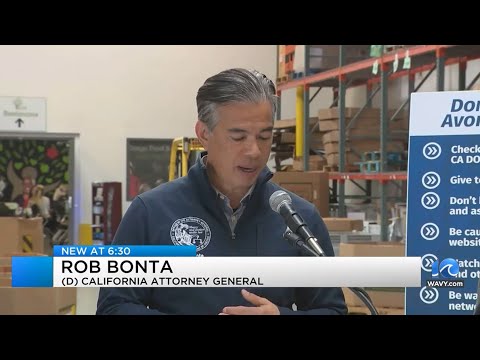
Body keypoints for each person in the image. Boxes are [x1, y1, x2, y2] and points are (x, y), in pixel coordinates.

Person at [96, 68, 347, 315]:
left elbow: (332, 309)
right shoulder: (151, 213)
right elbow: (114, 306)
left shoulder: (300, 218)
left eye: (264, 136)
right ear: (204, 134)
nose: (254, 151)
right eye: (238, 137)